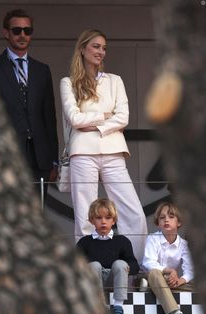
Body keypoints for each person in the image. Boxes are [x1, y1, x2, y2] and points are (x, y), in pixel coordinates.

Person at [60, 29, 147, 262]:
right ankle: (87, 270)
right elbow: (74, 119)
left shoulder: (115, 80)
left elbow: (123, 117)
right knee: (84, 216)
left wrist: (94, 123)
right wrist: (105, 117)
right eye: (96, 46)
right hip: (82, 153)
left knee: (133, 213)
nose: (101, 51)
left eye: (103, 47)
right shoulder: (68, 83)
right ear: (82, 49)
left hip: (113, 152)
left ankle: (133, 267)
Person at [0, 9, 58, 191]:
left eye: (27, 30)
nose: (22, 35)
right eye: (17, 30)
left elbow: (49, 117)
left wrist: (54, 160)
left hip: (39, 158)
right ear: (6, 33)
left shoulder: (42, 70)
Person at [76, 198, 139, 314]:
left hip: (115, 280)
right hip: (94, 280)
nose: (103, 222)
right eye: (99, 218)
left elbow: (135, 265)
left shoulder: (122, 241)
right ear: (92, 220)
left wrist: (125, 267)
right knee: (93, 265)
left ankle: (118, 307)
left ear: (114, 220)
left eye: (108, 217)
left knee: (120, 264)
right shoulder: (84, 242)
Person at [141, 202, 194, 314]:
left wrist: (180, 280)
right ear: (158, 223)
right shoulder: (152, 238)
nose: (166, 220)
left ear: (179, 222)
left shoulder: (183, 245)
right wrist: (169, 270)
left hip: (171, 282)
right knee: (155, 273)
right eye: (162, 217)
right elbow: (148, 262)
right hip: (153, 278)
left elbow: (189, 270)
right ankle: (175, 312)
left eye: (171, 216)